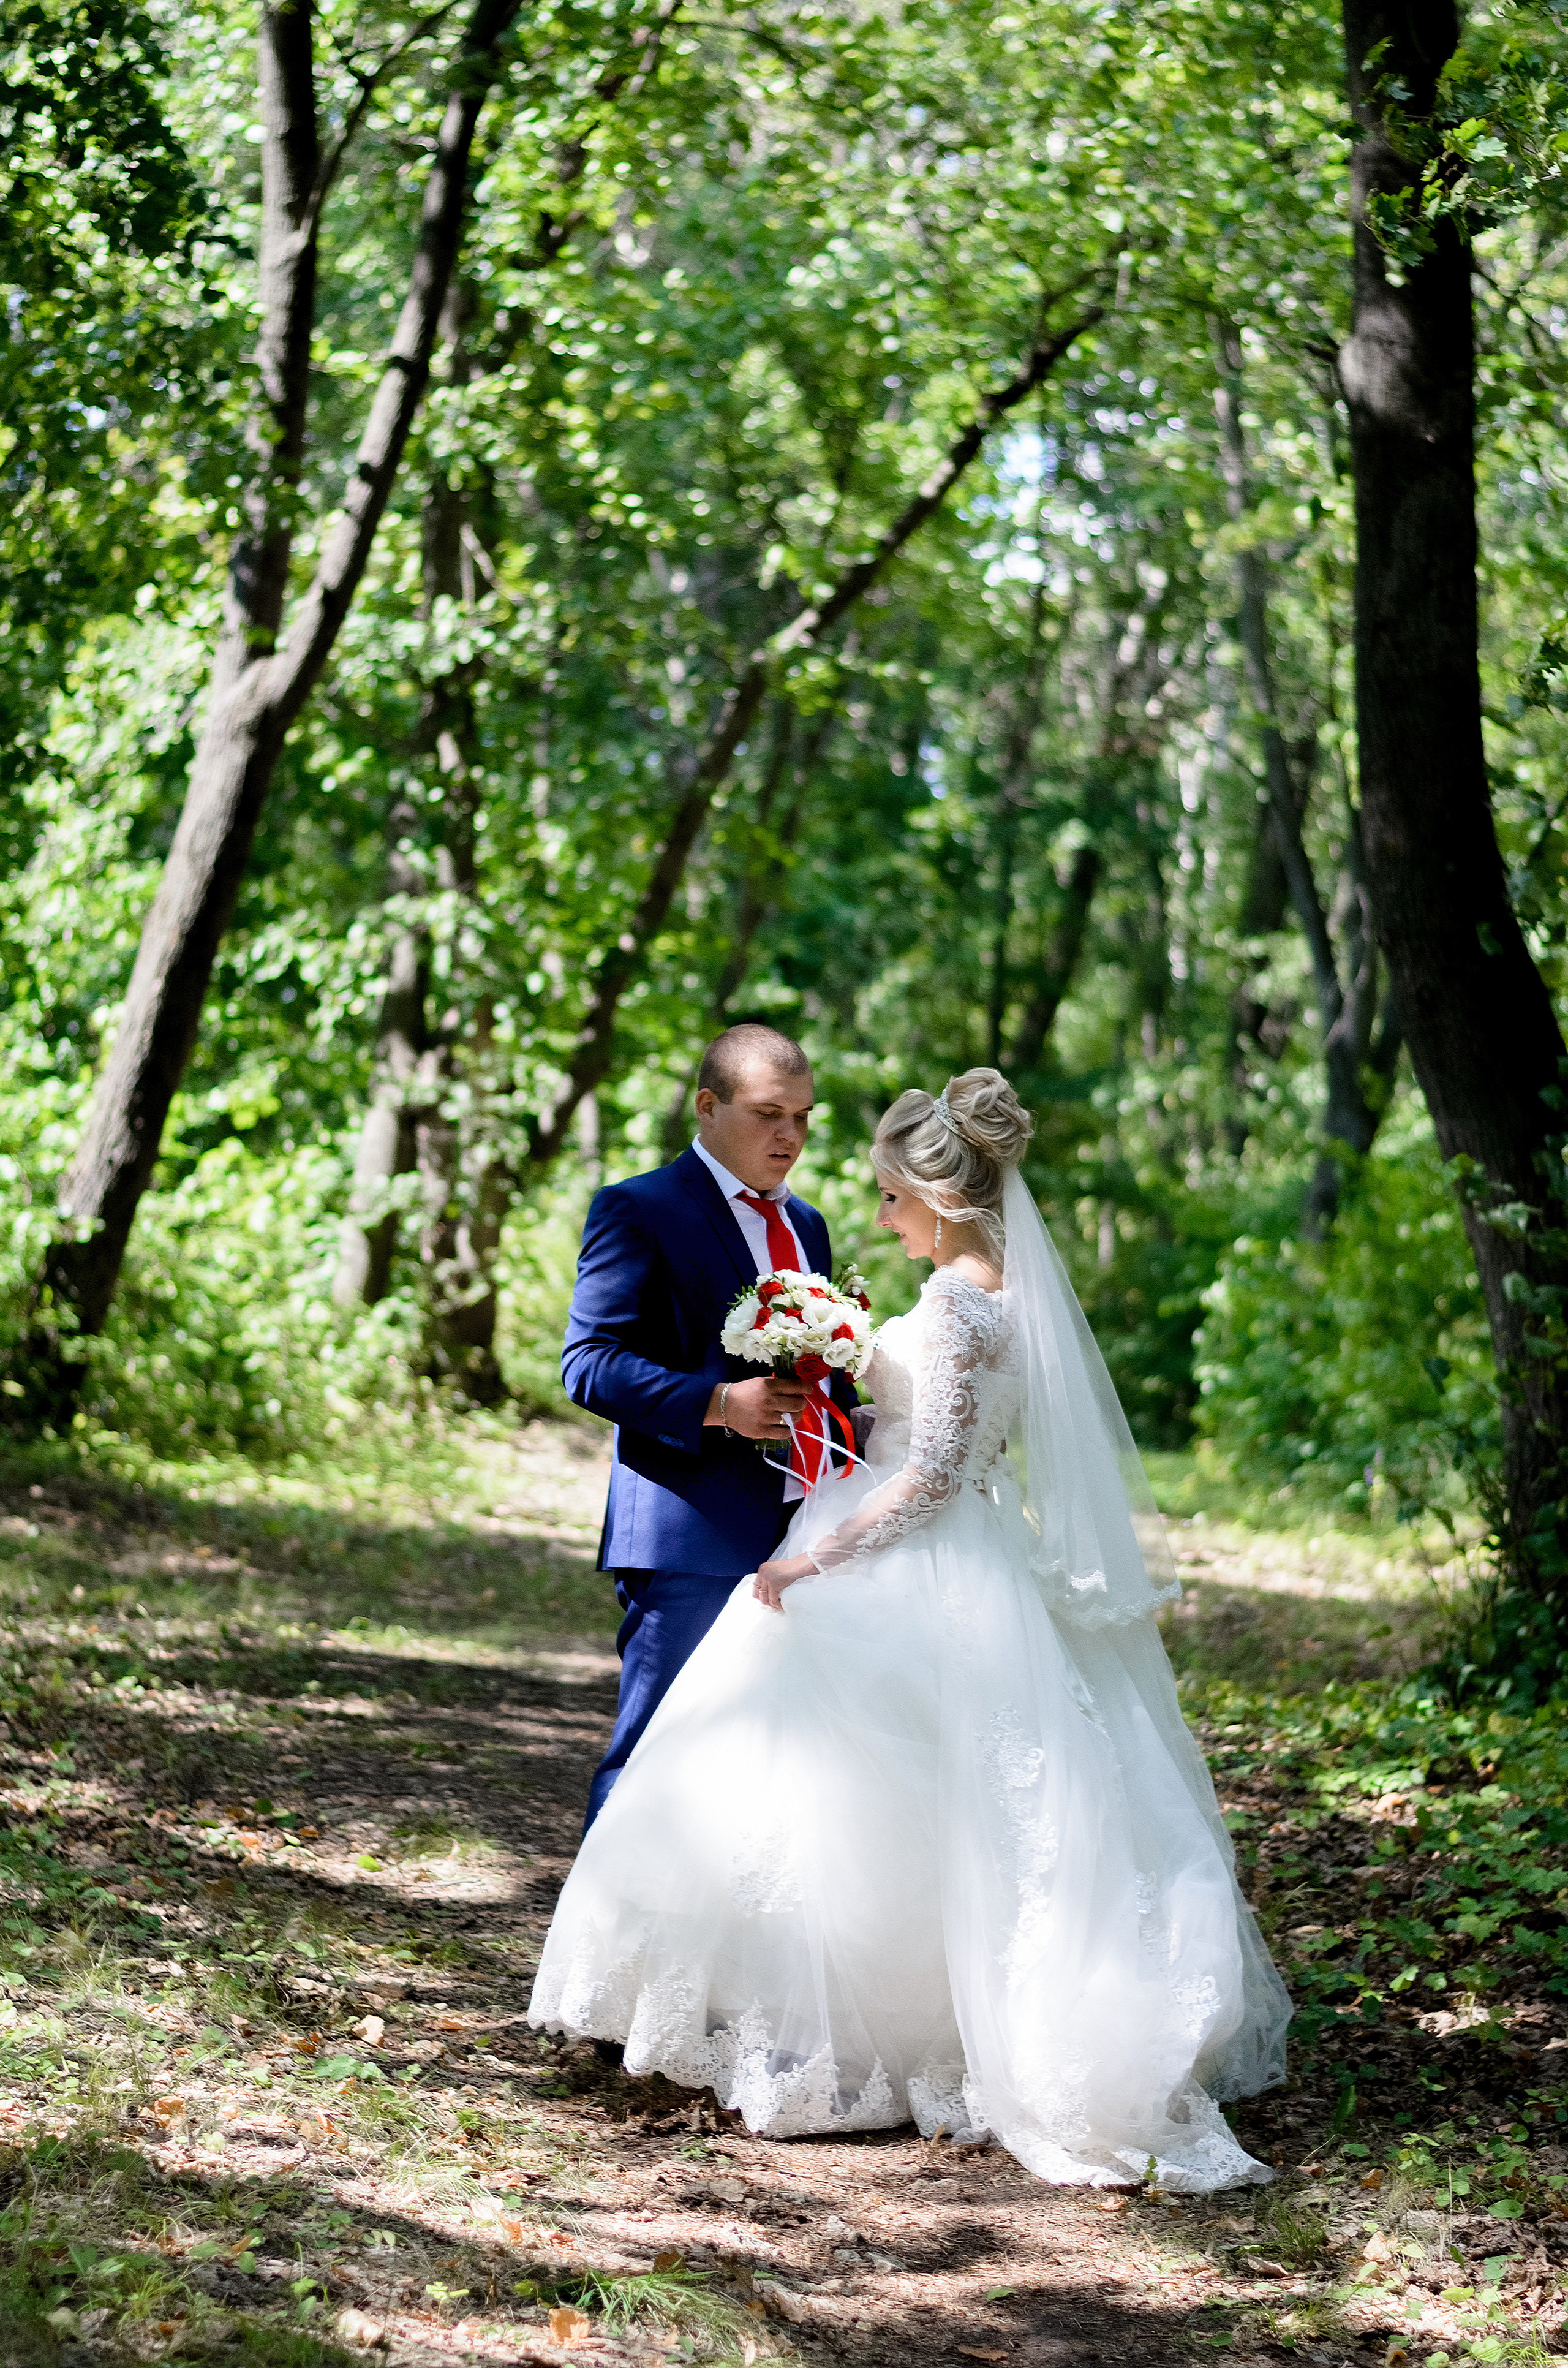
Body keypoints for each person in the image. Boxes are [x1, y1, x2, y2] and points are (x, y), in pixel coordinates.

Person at [535, 1066, 1292, 2190]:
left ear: (935, 1196)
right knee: (946, 1801)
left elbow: (928, 1476)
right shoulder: (1009, 1297)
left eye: (892, 1196)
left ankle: (849, 2032)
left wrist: (807, 1557)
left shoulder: (953, 1305)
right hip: (966, 1558)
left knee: (851, 1793)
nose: (877, 1215)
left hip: (906, 1549)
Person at [562, 1023, 859, 1829]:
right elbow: (587, 1361)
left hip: (804, 1532)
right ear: (707, 1106)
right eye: (769, 1113)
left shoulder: (811, 1226)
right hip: (688, 1530)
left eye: (802, 1116)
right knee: (656, 1751)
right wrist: (720, 1404)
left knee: (769, 1768)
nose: (790, 1135)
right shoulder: (640, 1209)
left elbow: (815, 1371)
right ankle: (601, 1951)